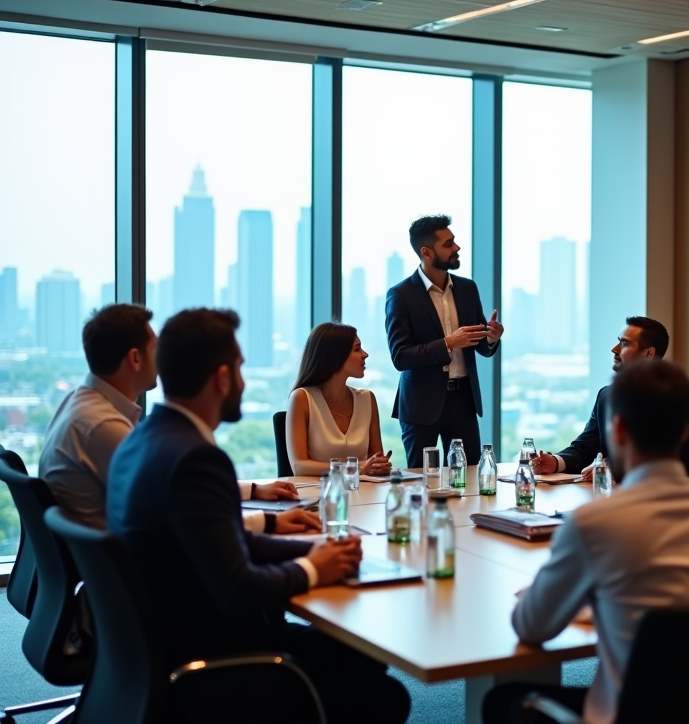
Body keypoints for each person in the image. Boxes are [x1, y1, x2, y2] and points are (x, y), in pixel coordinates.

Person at [107, 309, 410, 723]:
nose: (244, 382)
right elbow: (237, 587)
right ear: (222, 378)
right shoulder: (197, 459)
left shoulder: (143, 440)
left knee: (363, 659)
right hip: (212, 653)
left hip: (155, 644)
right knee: (382, 691)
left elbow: (220, 538)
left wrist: (310, 548)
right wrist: (311, 568)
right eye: (240, 368)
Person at [482, 360, 689, 724]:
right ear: (687, 431)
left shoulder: (595, 523)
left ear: (619, 431)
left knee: (501, 699)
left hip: (628, 712)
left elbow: (531, 627)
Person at [37, 303, 300, 532]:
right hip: (129, 573)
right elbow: (184, 510)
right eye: (155, 348)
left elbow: (179, 491)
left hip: (106, 569)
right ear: (135, 358)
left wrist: (253, 491)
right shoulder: (103, 427)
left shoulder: (79, 403)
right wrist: (268, 522)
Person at [385, 214, 502, 468]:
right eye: (448, 244)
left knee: (469, 478)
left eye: (454, 241)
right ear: (426, 252)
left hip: (463, 401)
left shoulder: (468, 289)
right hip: (420, 405)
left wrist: (491, 338)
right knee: (421, 480)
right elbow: (401, 357)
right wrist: (448, 342)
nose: (457, 248)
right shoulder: (401, 295)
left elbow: (480, 345)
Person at [531, 316, 689, 476]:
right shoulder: (606, 396)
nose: (614, 349)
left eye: (624, 343)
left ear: (648, 353)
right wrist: (556, 461)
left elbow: (671, 459)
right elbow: (584, 447)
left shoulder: (681, 400)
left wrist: (609, 466)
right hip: (608, 495)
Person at [286, 322, 393, 477]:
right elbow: (299, 466)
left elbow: (375, 460)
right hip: (318, 495)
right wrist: (356, 467)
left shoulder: (367, 399)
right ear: (335, 356)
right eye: (357, 349)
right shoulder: (302, 398)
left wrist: (379, 466)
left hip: (364, 492)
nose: (365, 354)